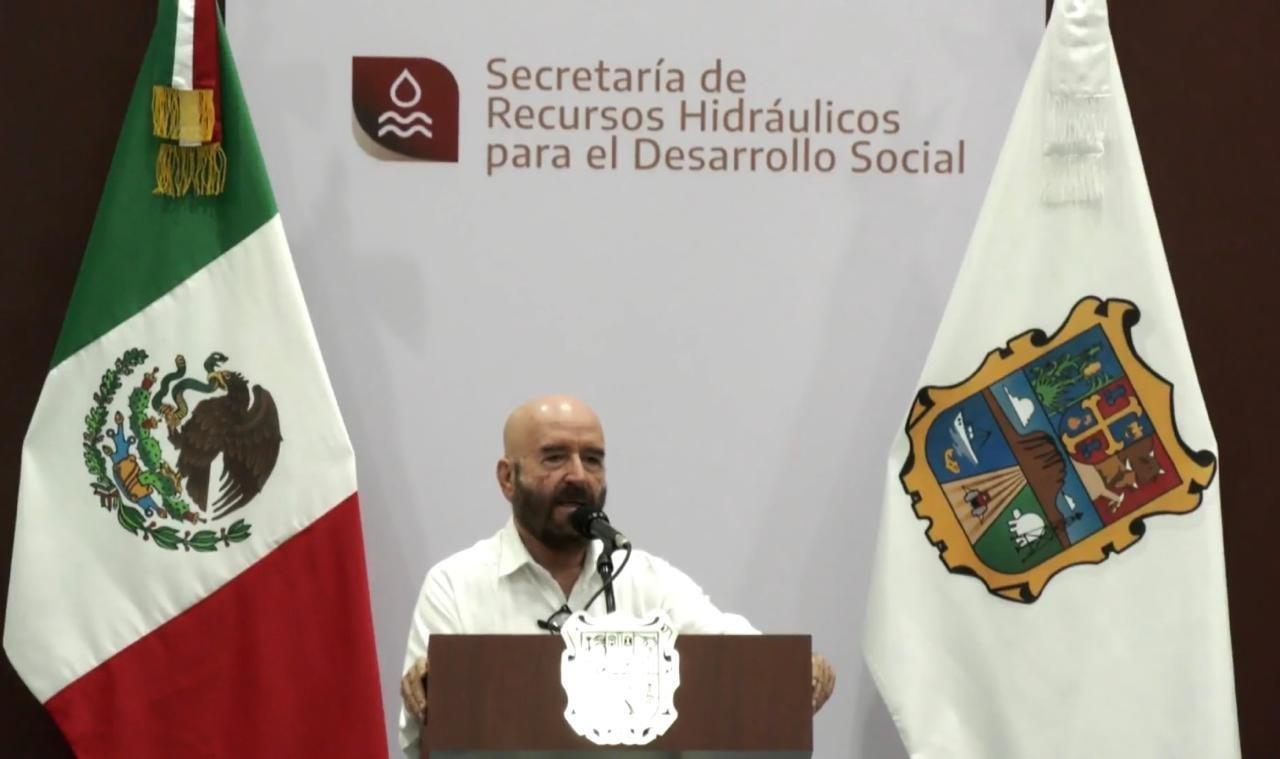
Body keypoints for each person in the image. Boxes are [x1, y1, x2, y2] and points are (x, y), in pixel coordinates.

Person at [398, 394, 835, 755]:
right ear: (508, 478)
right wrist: (430, 690)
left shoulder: (644, 579)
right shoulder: (455, 585)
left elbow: (728, 649)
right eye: (554, 458)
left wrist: (794, 671)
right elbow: (426, 736)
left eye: (593, 459)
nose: (578, 476)